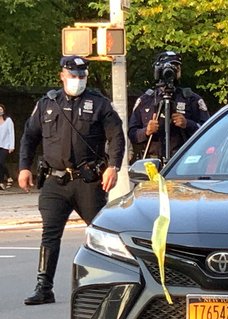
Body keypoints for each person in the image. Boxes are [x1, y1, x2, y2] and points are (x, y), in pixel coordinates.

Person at [18, 56, 125, 305]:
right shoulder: (47, 103)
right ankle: (44, 287)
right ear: (62, 76)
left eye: (82, 76)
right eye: (73, 75)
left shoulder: (99, 104)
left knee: (102, 234)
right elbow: (29, 137)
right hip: (55, 181)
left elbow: (117, 136)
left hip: (87, 181)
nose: (78, 80)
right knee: (50, 235)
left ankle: (108, 286)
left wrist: (113, 166)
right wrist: (24, 167)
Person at [128, 50, 210, 162]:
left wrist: (188, 124)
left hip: (183, 160)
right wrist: (146, 132)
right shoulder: (145, 100)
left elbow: (209, 132)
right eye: (168, 67)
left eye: (176, 67)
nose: (172, 71)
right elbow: (132, 134)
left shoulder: (192, 99)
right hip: (152, 162)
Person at [0, 103, 15, 190]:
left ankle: (1, 182)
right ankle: (9, 177)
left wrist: (11, 145)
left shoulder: (8, 120)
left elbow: (11, 133)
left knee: (1, 162)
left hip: (5, 145)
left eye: (1, 109)